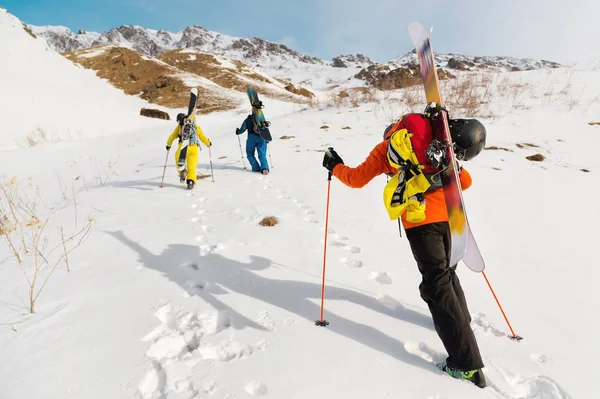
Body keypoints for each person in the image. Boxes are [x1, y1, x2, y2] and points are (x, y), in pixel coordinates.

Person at [321, 107, 488, 388]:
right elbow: (466, 182)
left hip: (422, 224)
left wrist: (334, 165)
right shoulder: (437, 142)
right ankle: (462, 322)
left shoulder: (387, 149)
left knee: (436, 286)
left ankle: (466, 365)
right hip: (452, 217)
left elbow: (355, 179)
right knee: (447, 275)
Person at [166, 112, 211, 190]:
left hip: (183, 147)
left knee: (178, 160)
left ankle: (182, 171)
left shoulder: (179, 128)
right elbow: (202, 137)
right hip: (193, 147)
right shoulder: (196, 127)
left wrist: (168, 145)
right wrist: (208, 143)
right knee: (192, 166)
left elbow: (172, 136)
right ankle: (190, 181)